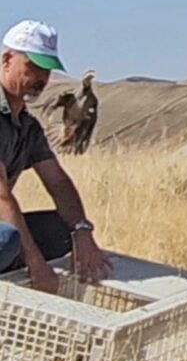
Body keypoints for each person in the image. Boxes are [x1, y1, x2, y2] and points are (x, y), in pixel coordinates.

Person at [0, 21, 111, 293]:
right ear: (6, 60)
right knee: (7, 239)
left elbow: (58, 182)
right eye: (33, 67)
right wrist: (37, 264)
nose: (41, 79)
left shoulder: (27, 127)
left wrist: (82, 232)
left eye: (46, 71)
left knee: (63, 230)